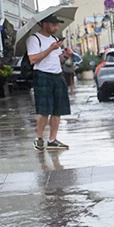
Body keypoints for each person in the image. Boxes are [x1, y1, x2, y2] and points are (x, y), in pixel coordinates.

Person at [27, 14, 73, 151]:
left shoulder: (54, 39)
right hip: (43, 75)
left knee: (58, 109)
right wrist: (50, 49)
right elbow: (33, 59)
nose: (56, 27)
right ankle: (39, 138)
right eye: (53, 25)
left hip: (57, 75)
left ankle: (53, 139)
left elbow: (57, 59)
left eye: (57, 25)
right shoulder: (34, 39)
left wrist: (65, 55)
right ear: (44, 24)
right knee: (44, 109)